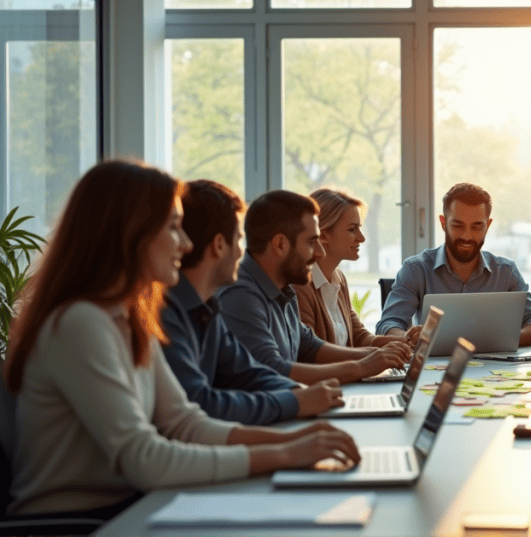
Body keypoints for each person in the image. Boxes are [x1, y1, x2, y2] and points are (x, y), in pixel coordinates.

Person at [4, 161, 360, 518]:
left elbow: (184, 423)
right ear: (131, 233)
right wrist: (284, 453)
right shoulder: (79, 323)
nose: (186, 243)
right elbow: (145, 458)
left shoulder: (130, 318)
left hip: (130, 508)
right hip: (77, 523)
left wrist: (295, 440)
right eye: (174, 228)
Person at [161, 180, 347, 425]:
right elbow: (200, 402)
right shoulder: (169, 312)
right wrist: (296, 401)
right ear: (219, 245)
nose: (242, 252)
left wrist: (299, 393)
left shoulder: (209, 308)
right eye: (239, 240)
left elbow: (248, 372)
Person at [219, 190, 409, 386]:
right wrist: (361, 366)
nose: (319, 252)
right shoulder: (240, 294)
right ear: (280, 244)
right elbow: (272, 370)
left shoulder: (284, 288)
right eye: (311, 242)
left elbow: (309, 345)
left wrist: (377, 355)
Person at [375, 183, 531, 345]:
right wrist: (408, 337)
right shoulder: (415, 270)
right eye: (458, 226)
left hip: (496, 371)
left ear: (488, 225)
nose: (467, 236)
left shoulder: (506, 272)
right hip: (433, 370)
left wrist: (505, 340)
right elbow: (389, 323)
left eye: (477, 227)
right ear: (443, 223)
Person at [295, 188, 409, 349]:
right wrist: (370, 360)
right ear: (324, 235)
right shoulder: (299, 285)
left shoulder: (338, 278)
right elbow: (309, 354)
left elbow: (359, 336)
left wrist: (404, 341)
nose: (361, 238)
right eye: (352, 229)